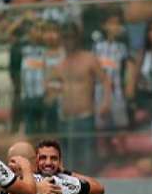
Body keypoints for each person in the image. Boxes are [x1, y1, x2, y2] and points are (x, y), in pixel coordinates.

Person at [47, 23, 111, 175]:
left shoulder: (89, 59)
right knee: (67, 167)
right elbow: (49, 85)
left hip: (85, 118)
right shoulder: (60, 64)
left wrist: (105, 102)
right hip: (65, 120)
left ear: (77, 38)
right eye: (65, 37)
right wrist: (51, 93)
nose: (68, 41)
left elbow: (105, 81)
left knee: (87, 165)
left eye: (71, 37)